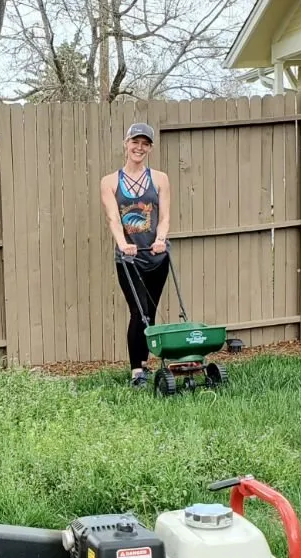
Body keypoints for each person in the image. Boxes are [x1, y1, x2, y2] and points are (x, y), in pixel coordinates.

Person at [100, 123, 172, 388]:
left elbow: (164, 218)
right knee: (138, 311)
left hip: (157, 257)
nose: (139, 147)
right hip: (129, 259)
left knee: (150, 313)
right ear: (126, 143)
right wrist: (122, 243)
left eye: (145, 143)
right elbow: (113, 219)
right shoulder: (110, 182)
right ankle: (136, 373)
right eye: (135, 142)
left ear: (150, 148)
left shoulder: (160, 179)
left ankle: (145, 365)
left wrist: (161, 240)